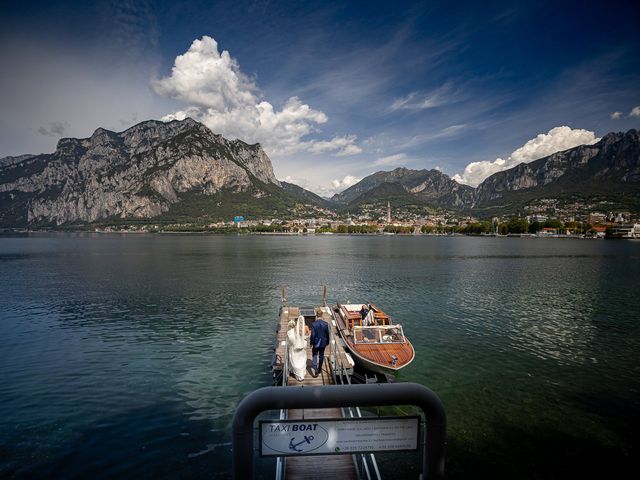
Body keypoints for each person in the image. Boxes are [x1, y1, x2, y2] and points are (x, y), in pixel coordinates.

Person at [287, 315, 307, 382]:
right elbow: (307, 336)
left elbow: (290, 342)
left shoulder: (291, 333)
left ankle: (297, 374)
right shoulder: (304, 328)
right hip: (301, 348)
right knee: (301, 361)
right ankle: (301, 374)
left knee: (295, 361)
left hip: (295, 349)